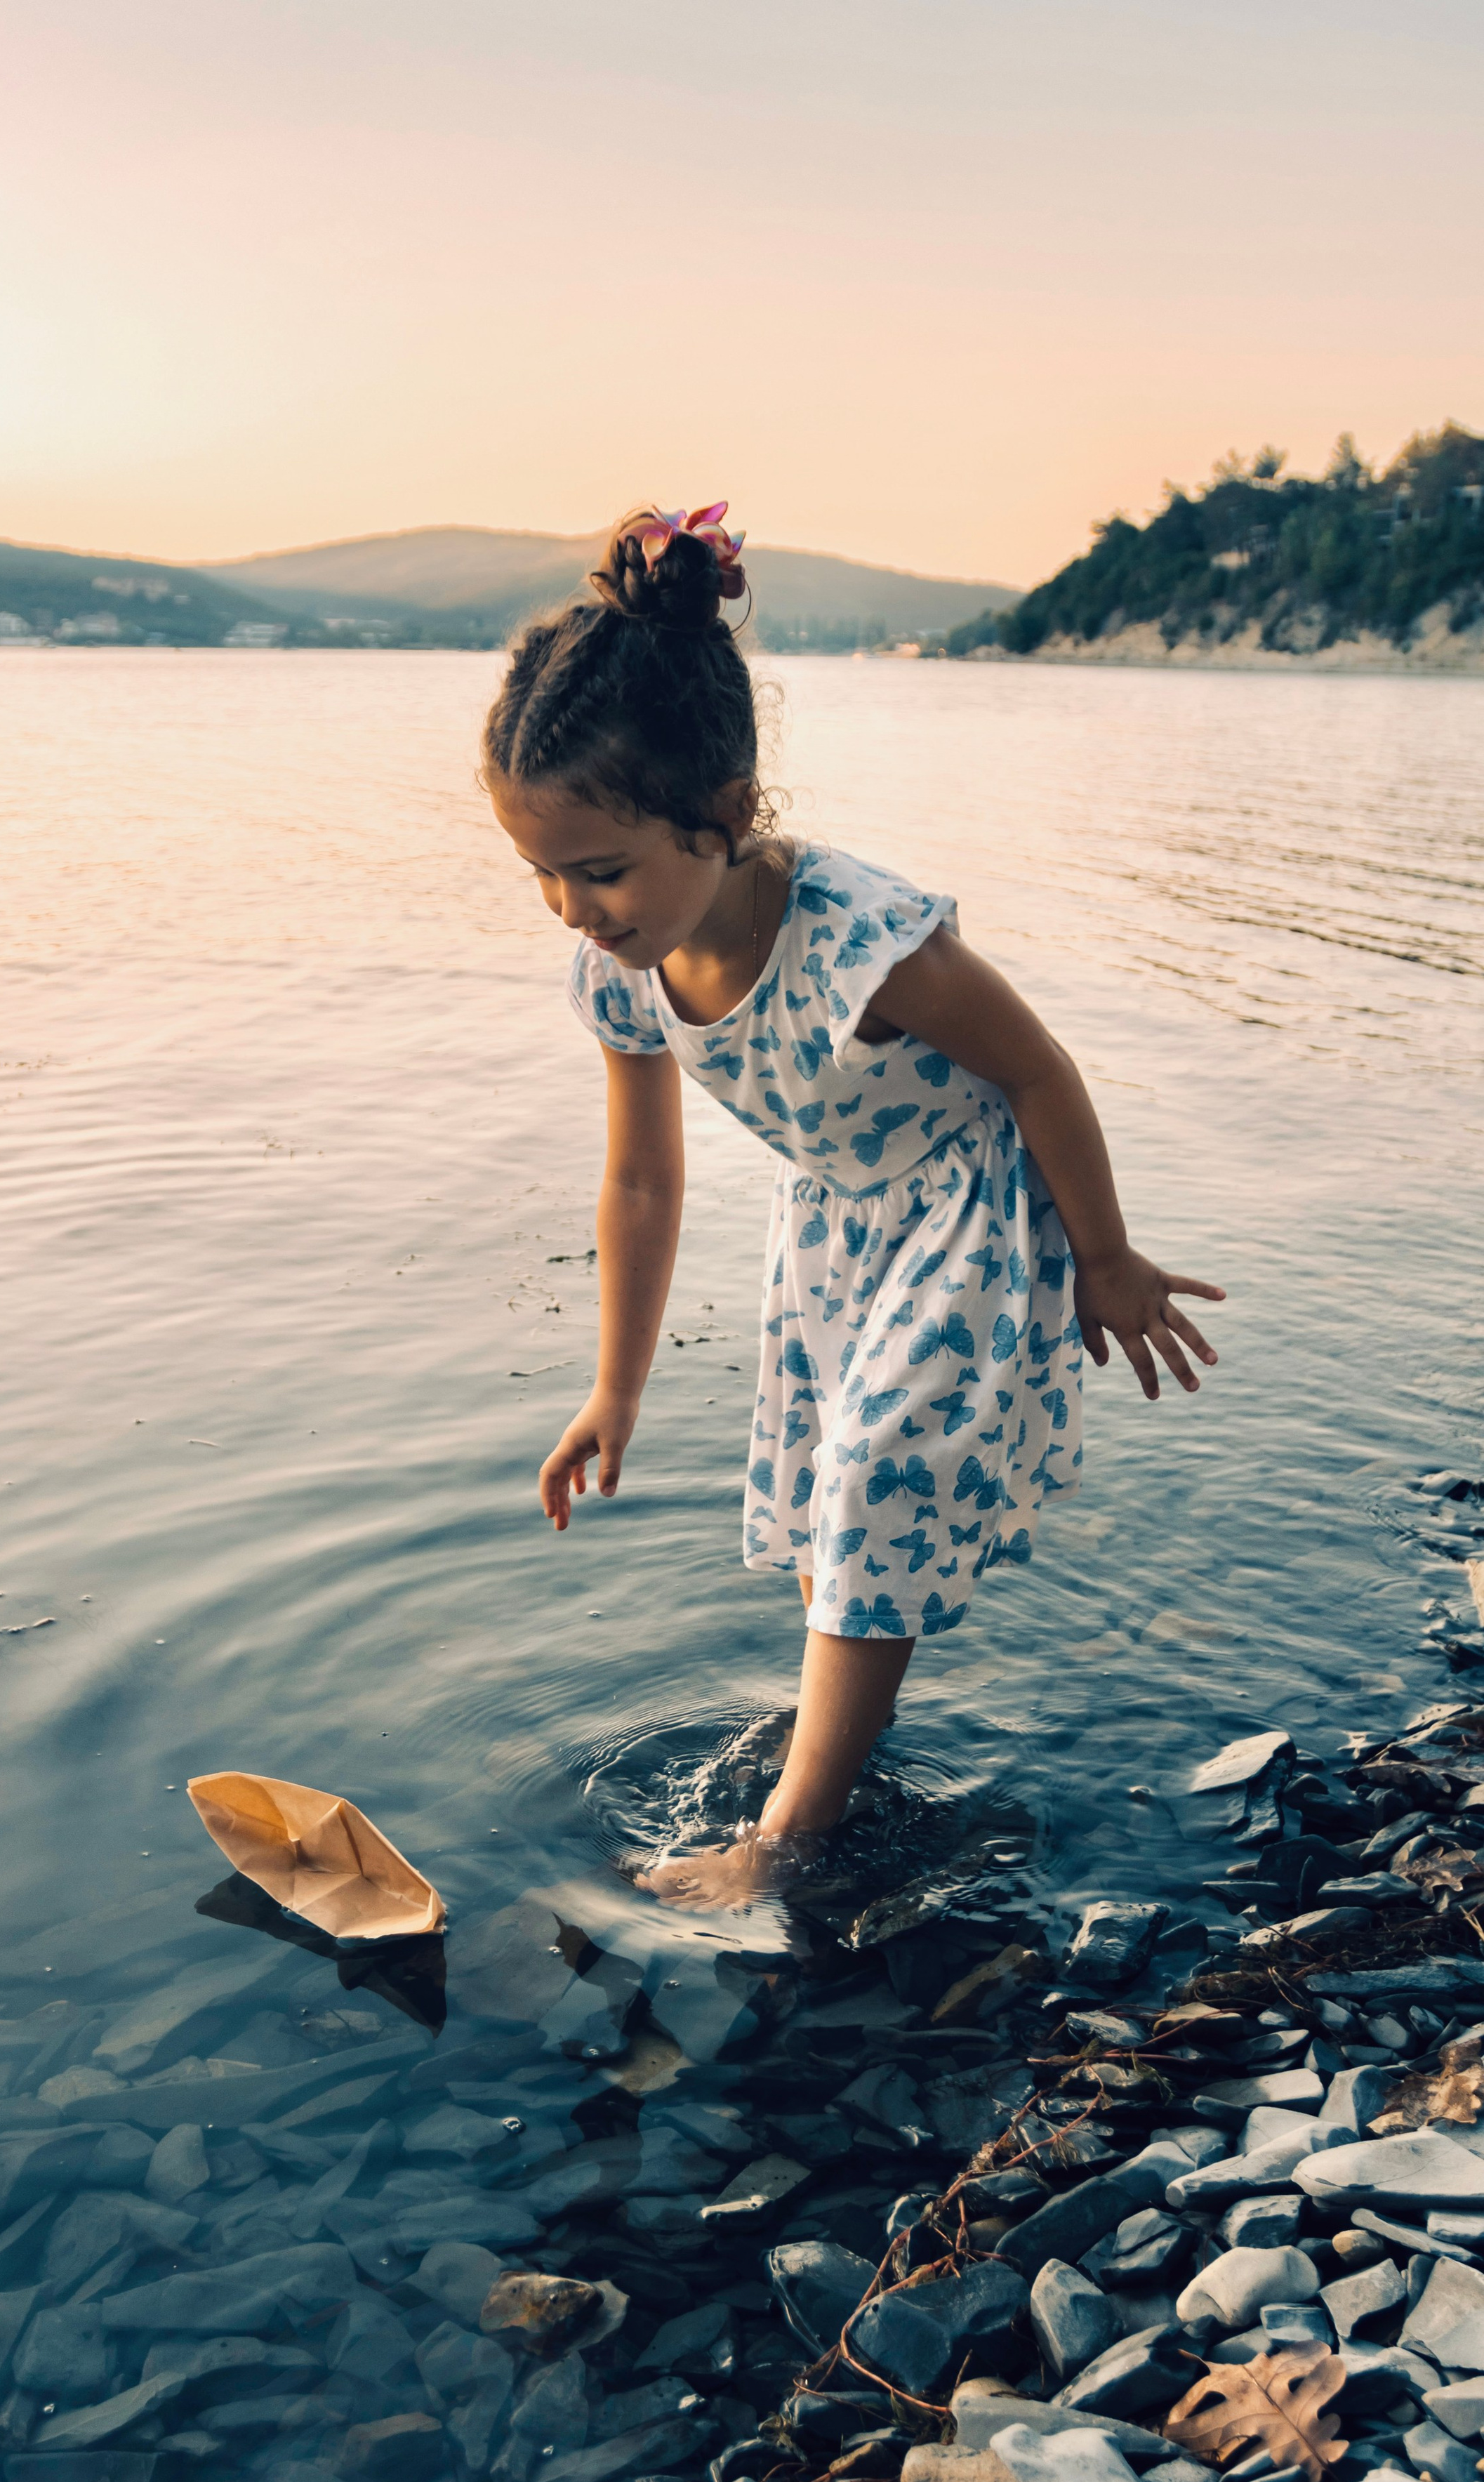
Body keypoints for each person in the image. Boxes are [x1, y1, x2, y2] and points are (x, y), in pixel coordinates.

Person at [482, 503, 1223, 1906]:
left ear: (723, 817)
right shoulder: (620, 969)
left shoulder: (865, 946)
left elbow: (1038, 1070)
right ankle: (833, 1735)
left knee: (877, 1474)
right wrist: (613, 1392)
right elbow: (640, 1178)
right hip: (835, 1225)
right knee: (834, 1501)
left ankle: (785, 1841)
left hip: (967, 1213)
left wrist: (1104, 1258)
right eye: (542, 873)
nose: (573, 907)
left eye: (601, 868)